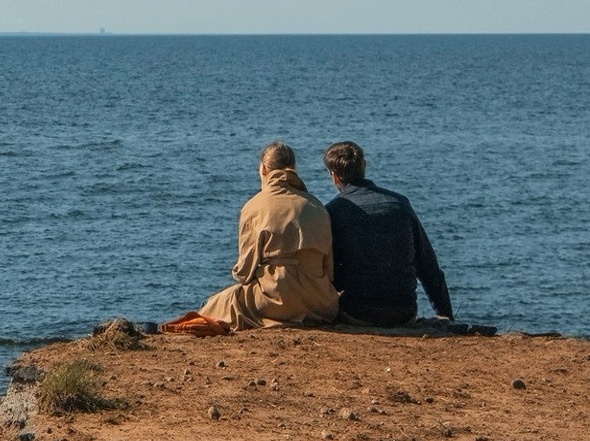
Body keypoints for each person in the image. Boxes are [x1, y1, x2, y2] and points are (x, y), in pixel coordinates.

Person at [163, 142, 339, 335]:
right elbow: (328, 269)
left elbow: (244, 272)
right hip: (320, 301)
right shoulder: (317, 206)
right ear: (294, 169)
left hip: (277, 299)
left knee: (219, 303)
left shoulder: (255, 206)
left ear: (263, 169)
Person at [321, 140, 452, 326]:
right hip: (403, 312)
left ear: (334, 177)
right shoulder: (400, 203)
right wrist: (445, 315)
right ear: (364, 166)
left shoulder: (333, 211)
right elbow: (429, 267)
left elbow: (329, 271)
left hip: (357, 313)